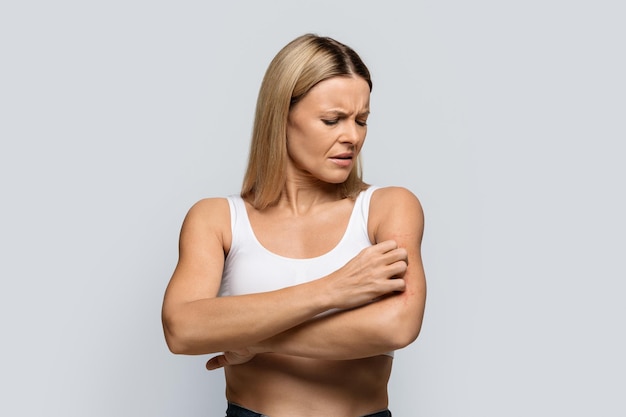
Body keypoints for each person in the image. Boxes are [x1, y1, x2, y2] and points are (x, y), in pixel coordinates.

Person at [161, 34, 426, 417]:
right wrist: (333, 289)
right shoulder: (217, 218)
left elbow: (398, 325)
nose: (352, 136)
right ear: (280, 117)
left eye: (361, 120)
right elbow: (182, 328)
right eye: (332, 120)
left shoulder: (387, 207)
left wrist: (258, 340)